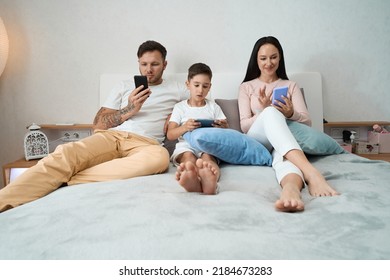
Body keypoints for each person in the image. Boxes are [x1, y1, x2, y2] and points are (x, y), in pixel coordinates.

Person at [0, 40, 187, 213]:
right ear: (138, 62)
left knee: (160, 159)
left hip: (147, 144)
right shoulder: (124, 85)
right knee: (66, 153)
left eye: (154, 64)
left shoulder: (178, 88)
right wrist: (130, 108)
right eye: (143, 64)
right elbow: (98, 123)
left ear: (165, 65)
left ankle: (69, 179)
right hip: (112, 137)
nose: (148, 70)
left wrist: (176, 116)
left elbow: (202, 105)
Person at [238, 36, 339, 212]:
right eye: (263, 58)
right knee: (270, 112)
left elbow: (307, 121)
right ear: (256, 60)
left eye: (273, 57)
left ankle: (290, 190)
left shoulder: (290, 85)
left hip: (282, 139)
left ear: (280, 58)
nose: (268, 63)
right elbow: (244, 126)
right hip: (258, 139)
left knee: (284, 154)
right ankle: (312, 173)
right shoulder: (246, 87)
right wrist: (264, 111)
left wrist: (290, 113)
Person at [167, 63, 228, 195]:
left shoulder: (213, 107)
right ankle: (192, 178)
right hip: (186, 146)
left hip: (207, 146)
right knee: (189, 159)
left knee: (208, 160)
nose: (200, 90)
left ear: (209, 87)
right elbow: (170, 134)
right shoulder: (180, 107)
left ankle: (210, 180)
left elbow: (226, 127)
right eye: (196, 85)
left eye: (205, 86)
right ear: (188, 84)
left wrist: (222, 126)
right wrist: (184, 127)